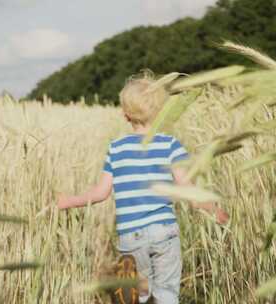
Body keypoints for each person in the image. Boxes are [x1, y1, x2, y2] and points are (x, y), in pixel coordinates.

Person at [57, 73, 229, 304]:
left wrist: (66, 201)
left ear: (125, 114)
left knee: (136, 296)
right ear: (160, 112)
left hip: (131, 237)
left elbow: (100, 193)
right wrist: (213, 209)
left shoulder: (117, 149)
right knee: (167, 295)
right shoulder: (170, 145)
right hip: (164, 233)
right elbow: (188, 190)